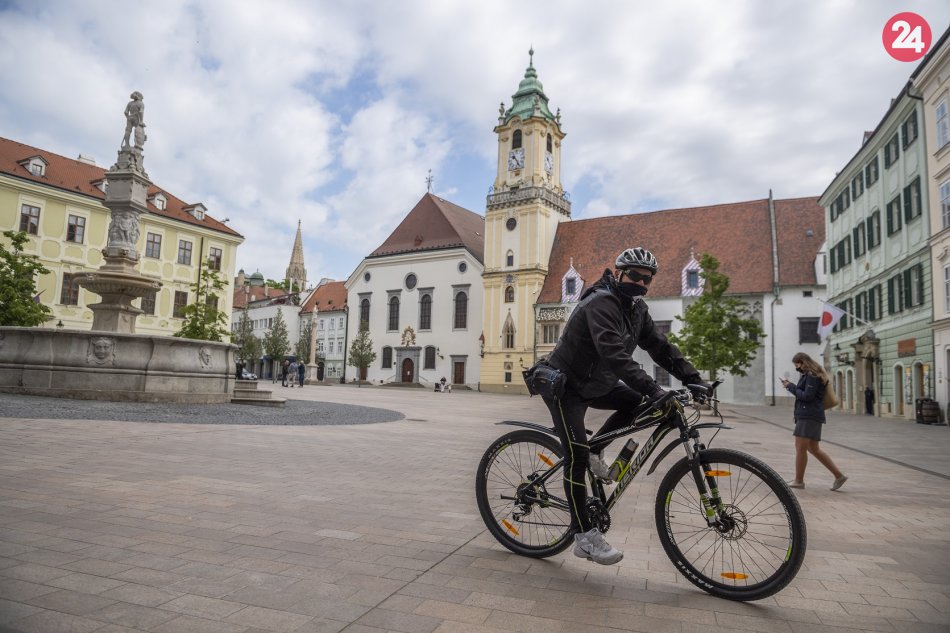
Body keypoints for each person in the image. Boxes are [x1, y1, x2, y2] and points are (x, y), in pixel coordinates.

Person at [541, 247, 708, 565]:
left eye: (647, 279)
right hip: (566, 386)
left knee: (639, 404)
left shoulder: (636, 310)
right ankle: (584, 537)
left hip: (597, 383)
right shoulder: (601, 302)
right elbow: (614, 354)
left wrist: (694, 379)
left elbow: (660, 347)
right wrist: (655, 388)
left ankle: (596, 449)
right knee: (576, 458)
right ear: (618, 273)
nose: (641, 283)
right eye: (634, 275)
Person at [780, 352, 847, 491]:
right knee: (813, 448)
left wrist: (790, 387)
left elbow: (807, 396)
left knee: (800, 448)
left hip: (808, 416)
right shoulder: (812, 375)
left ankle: (799, 481)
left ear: (802, 362)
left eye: (797, 365)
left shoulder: (812, 376)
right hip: (812, 415)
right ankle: (839, 475)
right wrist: (792, 385)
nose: (796, 368)